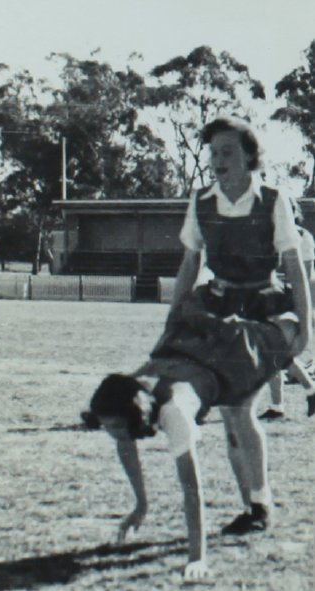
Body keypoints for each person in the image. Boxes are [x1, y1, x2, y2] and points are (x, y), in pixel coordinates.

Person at [82, 116, 311, 582]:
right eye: (214, 153)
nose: (218, 161)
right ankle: (255, 503)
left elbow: (293, 264)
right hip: (215, 305)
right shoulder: (201, 202)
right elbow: (190, 261)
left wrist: (305, 325)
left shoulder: (273, 200)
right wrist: (173, 316)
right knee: (230, 412)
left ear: (249, 155)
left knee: (239, 412)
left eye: (228, 151)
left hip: (260, 309)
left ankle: (259, 502)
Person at [262, 200, 315, 419]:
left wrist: (306, 317)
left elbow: (306, 280)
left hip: (296, 301)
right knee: (269, 350)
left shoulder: (302, 237)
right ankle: (298, 396)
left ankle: (280, 404)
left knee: (271, 348)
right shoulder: (267, 235)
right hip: (273, 298)